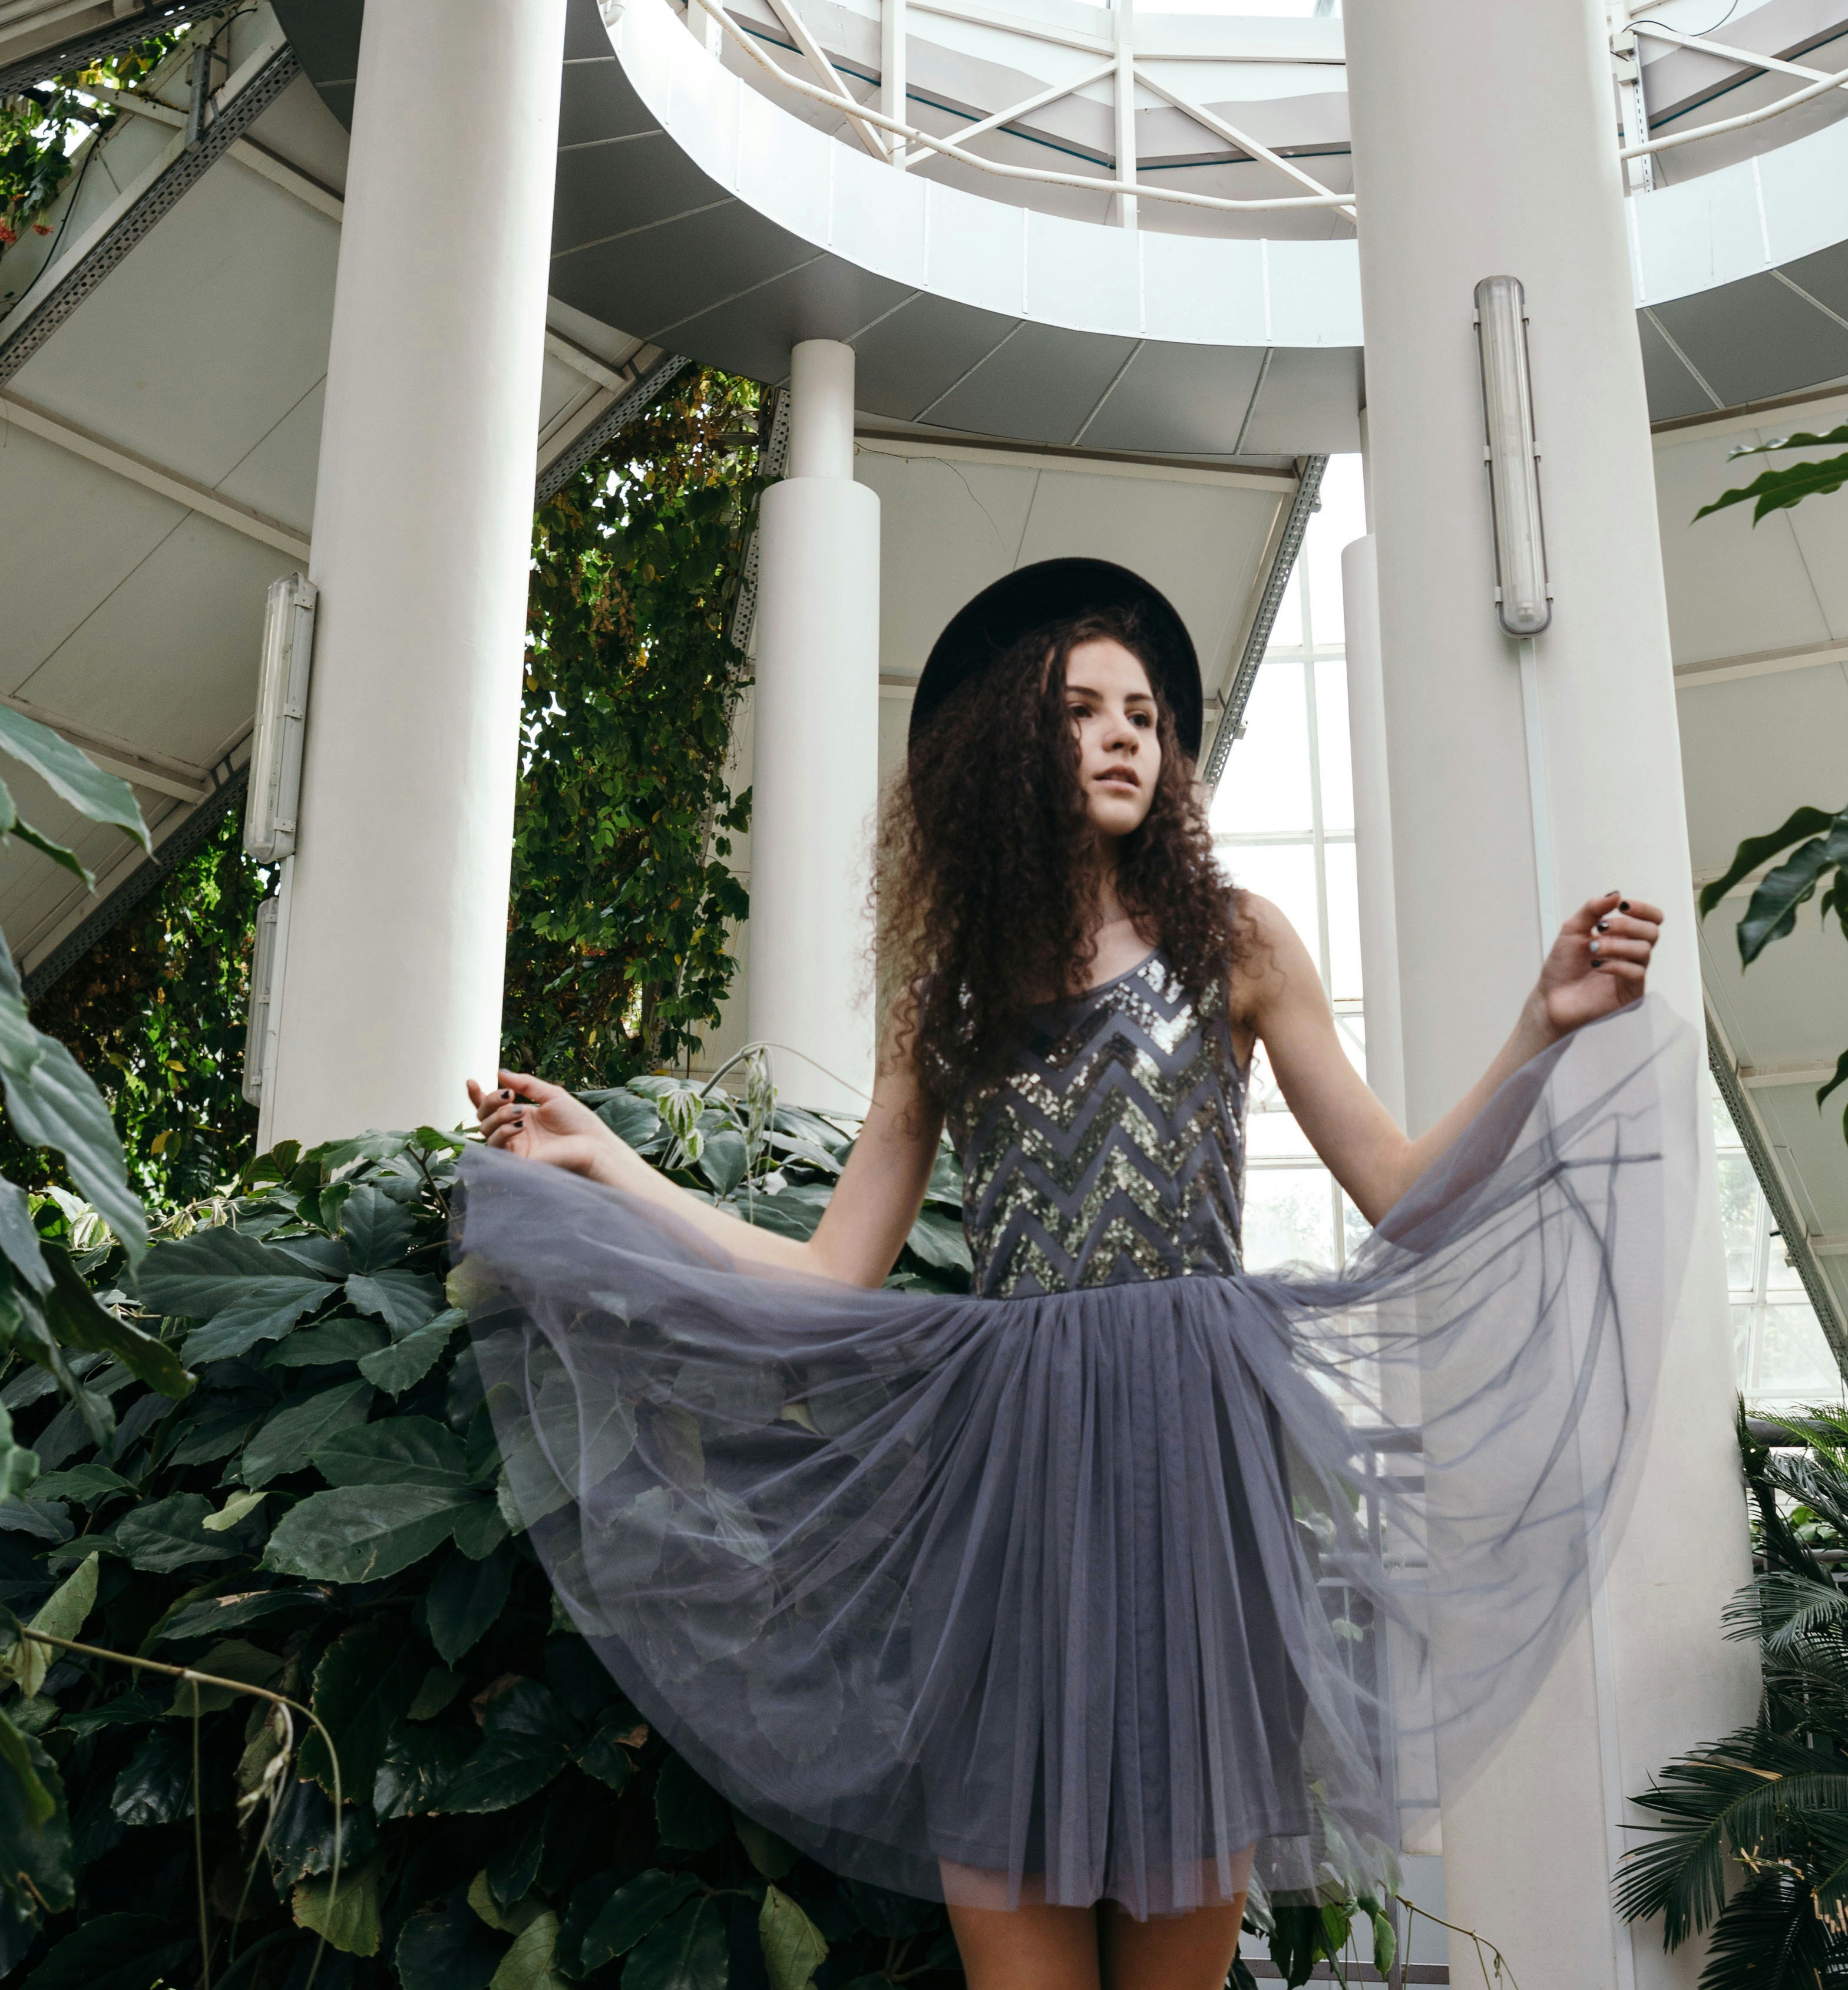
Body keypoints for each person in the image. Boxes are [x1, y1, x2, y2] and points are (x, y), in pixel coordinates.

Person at [461, 559, 1687, 1990]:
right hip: (1015, 1490)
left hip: (1194, 1473)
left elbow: (1402, 1193)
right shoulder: (948, 998)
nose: (1124, 735)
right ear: (1007, 749)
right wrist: (612, 1159)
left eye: (1148, 716)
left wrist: (1542, 1026)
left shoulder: (1239, 943)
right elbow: (828, 1275)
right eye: (1083, 712)